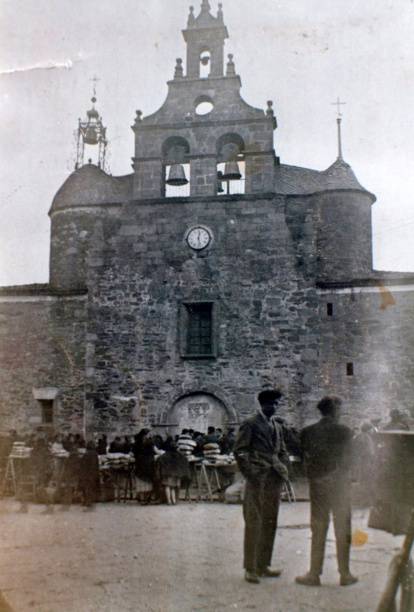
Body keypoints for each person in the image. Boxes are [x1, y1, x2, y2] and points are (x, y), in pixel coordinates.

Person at [296, 396, 358, 587]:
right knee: (343, 528)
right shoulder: (346, 432)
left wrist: (314, 476)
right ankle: (345, 574)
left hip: (318, 485)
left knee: (318, 527)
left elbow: (301, 459)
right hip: (340, 486)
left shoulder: (307, 432)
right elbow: (351, 460)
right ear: (336, 410)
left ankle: (314, 574)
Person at [233, 389, 289, 584]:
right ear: (262, 404)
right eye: (270, 403)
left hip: (274, 480)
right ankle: (250, 568)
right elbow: (240, 451)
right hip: (258, 480)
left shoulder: (277, 426)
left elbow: (281, 450)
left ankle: (263, 565)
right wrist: (251, 473)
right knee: (254, 523)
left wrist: (283, 468)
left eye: (276, 403)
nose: (274, 406)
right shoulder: (250, 424)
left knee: (270, 522)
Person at [156, 437, 190, 505]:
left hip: (166, 473)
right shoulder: (180, 456)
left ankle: (169, 501)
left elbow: (159, 459)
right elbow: (185, 460)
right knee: (173, 487)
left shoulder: (164, 455)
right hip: (176, 473)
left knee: (167, 487)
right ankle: (174, 500)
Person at [132, 429, 157, 504]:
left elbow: (134, 453)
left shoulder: (136, 443)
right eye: (148, 434)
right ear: (144, 435)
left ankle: (142, 498)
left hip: (140, 463)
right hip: (148, 464)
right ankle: (146, 498)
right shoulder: (150, 443)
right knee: (149, 481)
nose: (150, 436)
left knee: (141, 481)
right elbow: (155, 451)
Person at [79, 440, 100, 508]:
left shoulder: (85, 454)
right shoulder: (95, 454)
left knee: (84, 487)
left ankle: (84, 500)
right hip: (92, 472)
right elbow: (96, 464)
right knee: (90, 487)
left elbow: (82, 464)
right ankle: (89, 500)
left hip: (85, 472)